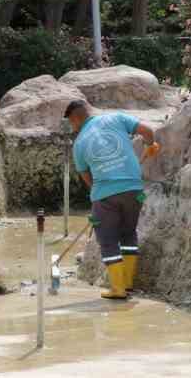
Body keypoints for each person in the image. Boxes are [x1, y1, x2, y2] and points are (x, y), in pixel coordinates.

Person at [66, 100, 159, 300]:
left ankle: (117, 289)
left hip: (105, 194)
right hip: (135, 190)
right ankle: (127, 284)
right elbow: (148, 131)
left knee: (108, 241)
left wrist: (98, 198)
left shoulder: (80, 143)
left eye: (70, 123)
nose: (72, 127)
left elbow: (86, 176)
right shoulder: (116, 118)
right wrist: (150, 146)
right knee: (128, 235)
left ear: (74, 118)